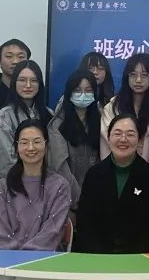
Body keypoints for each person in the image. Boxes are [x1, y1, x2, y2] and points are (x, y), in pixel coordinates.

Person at [73, 114, 149, 253]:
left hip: (139, 258)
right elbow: (85, 222)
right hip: (98, 256)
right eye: (117, 134)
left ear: (140, 141)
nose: (123, 139)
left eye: (130, 134)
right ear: (108, 138)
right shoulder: (94, 174)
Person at [0, 120, 71, 250]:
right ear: (16, 147)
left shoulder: (60, 186)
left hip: (43, 259)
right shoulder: (3, 186)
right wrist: (14, 258)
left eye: (37, 142)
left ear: (46, 145)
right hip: (6, 258)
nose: (30, 148)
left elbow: (52, 233)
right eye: (24, 142)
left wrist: (27, 257)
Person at [99, 54, 149, 183]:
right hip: (116, 178)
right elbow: (107, 144)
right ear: (126, 77)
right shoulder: (112, 108)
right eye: (133, 75)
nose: (138, 80)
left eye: (144, 75)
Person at [0, 59, 53, 186]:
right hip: (11, 185)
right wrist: (32, 180)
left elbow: (53, 155)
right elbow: (4, 162)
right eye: (22, 80)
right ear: (14, 83)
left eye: (33, 80)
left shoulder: (49, 114)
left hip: (45, 184)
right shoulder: (5, 115)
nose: (28, 85)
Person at [47, 69, 102, 212]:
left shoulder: (101, 121)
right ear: (69, 92)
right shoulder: (57, 125)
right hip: (67, 200)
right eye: (77, 90)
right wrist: (80, 199)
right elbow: (60, 167)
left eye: (88, 90)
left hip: (97, 197)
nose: (83, 94)